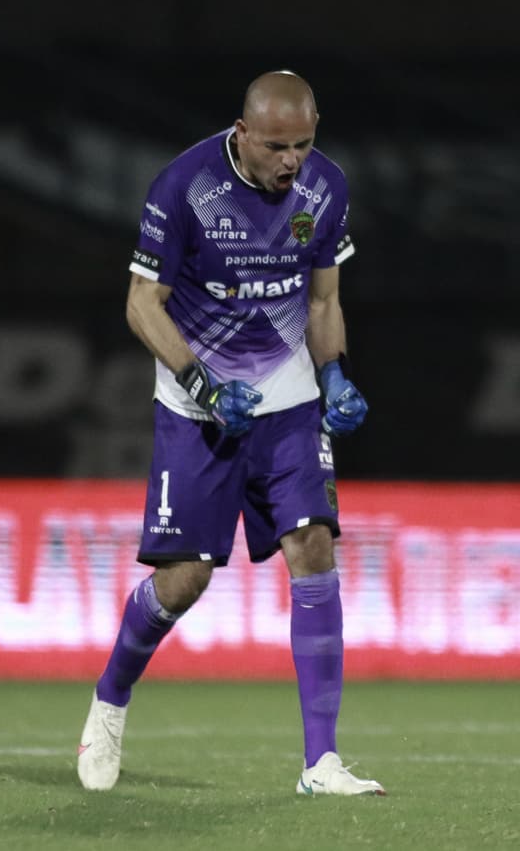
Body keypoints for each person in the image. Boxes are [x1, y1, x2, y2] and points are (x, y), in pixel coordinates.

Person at [76, 70, 385, 797]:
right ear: (242, 134)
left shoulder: (325, 188)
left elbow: (323, 299)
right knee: (184, 581)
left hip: (288, 400)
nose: (292, 162)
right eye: (278, 146)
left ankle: (322, 763)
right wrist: (203, 385)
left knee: (313, 542)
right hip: (197, 405)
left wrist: (336, 376)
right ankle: (110, 699)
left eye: (304, 145)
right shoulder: (183, 187)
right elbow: (141, 304)